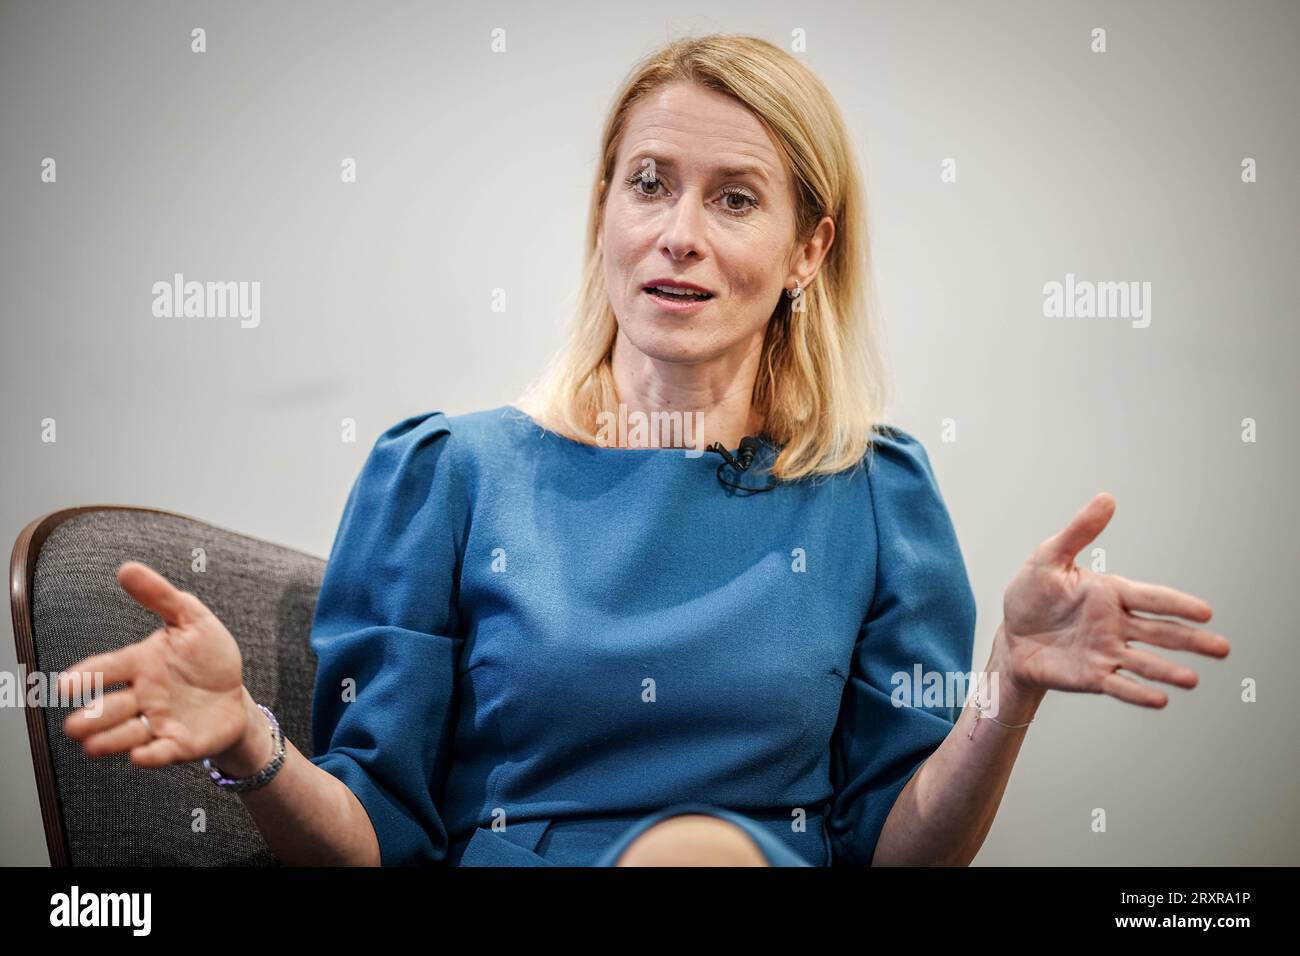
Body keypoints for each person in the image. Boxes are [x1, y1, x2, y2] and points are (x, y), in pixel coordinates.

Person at [57, 34, 1230, 867]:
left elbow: (896, 851)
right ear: (603, 212)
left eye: (734, 199)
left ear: (807, 248)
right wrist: (251, 741)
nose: (678, 234)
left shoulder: (875, 493)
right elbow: (378, 844)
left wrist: (1004, 690)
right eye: (650, 184)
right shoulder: (446, 474)